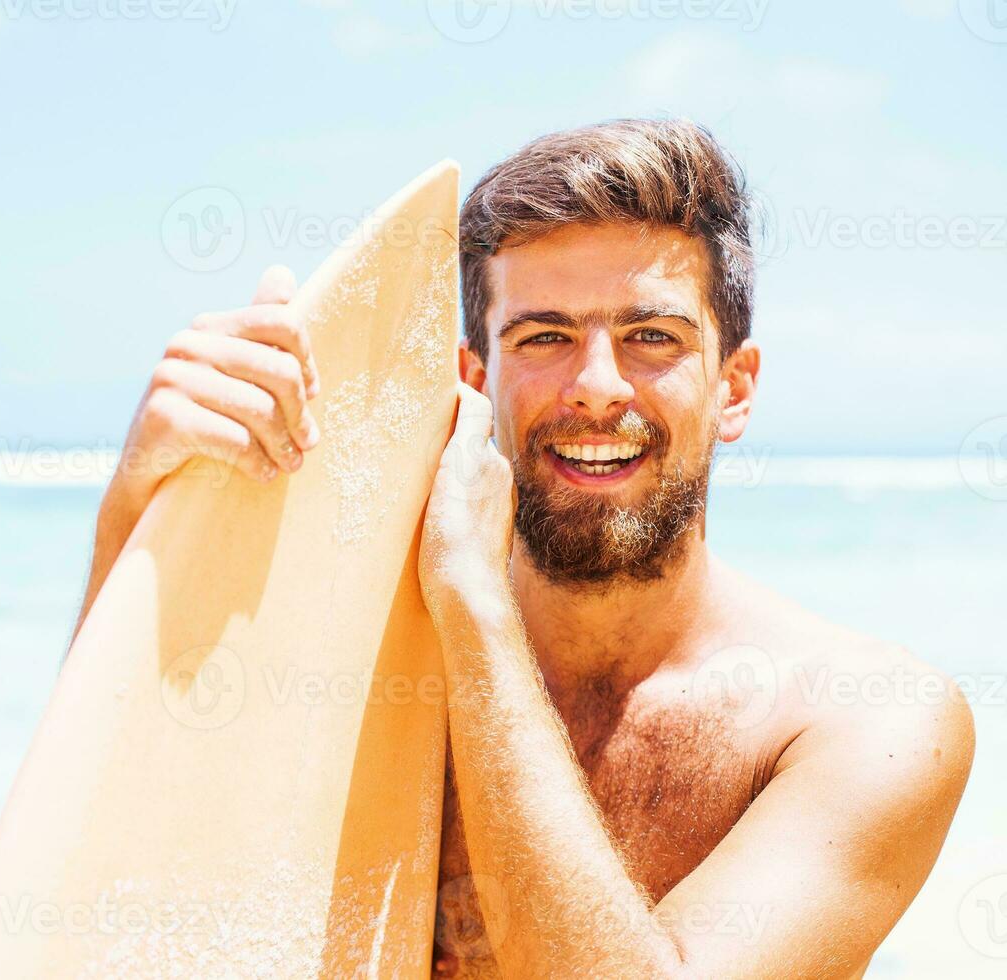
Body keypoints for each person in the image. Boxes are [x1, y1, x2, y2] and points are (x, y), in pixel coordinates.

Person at [75, 119, 975, 978]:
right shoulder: (357, 668)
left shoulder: (867, 722)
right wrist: (146, 501)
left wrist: (471, 601)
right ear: (474, 382)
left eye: (651, 336)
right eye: (543, 337)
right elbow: (116, 840)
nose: (594, 386)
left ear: (734, 389)